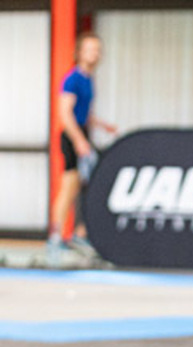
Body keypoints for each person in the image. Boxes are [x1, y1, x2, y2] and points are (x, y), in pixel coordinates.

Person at [48, 32, 117, 261]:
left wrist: (103, 125)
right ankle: (56, 234)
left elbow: (85, 114)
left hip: (83, 134)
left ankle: (80, 233)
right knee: (69, 185)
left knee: (85, 186)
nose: (94, 54)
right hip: (71, 136)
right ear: (79, 52)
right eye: (89, 49)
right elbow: (65, 114)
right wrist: (78, 140)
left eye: (97, 49)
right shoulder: (73, 79)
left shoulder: (89, 79)